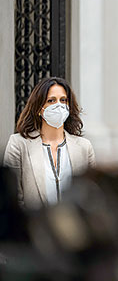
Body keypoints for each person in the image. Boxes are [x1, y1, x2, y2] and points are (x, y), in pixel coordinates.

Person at [3, 77, 96, 209]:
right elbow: (11, 197)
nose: (59, 105)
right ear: (39, 108)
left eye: (63, 100)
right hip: (33, 226)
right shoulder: (18, 144)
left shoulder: (84, 147)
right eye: (51, 101)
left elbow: (92, 196)